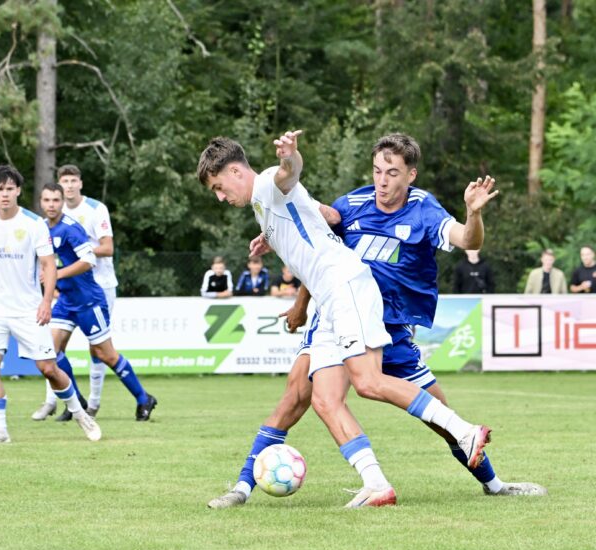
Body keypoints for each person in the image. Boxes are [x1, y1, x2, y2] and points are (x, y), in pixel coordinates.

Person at [207, 132, 544, 509]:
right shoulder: (349, 203)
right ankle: (352, 483)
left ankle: (488, 474)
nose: (382, 180)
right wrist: (280, 245)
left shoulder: (423, 210)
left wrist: (291, 158)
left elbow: (468, 241)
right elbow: (320, 229)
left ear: (410, 175)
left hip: (381, 315)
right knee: (314, 396)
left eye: (392, 173)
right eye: (377, 171)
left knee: (397, 396)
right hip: (337, 305)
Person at [0, 165, 101, 444]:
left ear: (18, 191)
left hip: (28, 309)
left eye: (10, 189)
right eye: (0, 189)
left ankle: (80, 413)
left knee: (48, 368)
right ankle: (0, 431)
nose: (5, 194)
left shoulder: (34, 224)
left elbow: (48, 264)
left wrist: (46, 302)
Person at [36, 183, 157, 420]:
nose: (51, 205)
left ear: (62, 203)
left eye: (55, 200)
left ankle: (144, 398)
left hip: (89, 300)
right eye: (47, 200)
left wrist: (56, 274)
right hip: (66, 300)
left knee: (106, 355)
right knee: (51, 350)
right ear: (41, 202)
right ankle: (77, 400)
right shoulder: (39, 229)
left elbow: (89, 260)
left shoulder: (71, 228)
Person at [54, 164, 117, 418]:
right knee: (54, 346)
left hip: (100, 284)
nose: (69, 185)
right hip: (69, 288)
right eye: (64, 181)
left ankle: (93, 402)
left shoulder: (95, 209)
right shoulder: (54, 212)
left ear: (80, 183)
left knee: (98, 349)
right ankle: (69, 402)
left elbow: (107, 247)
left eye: (72, 180)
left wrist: (78, 251)